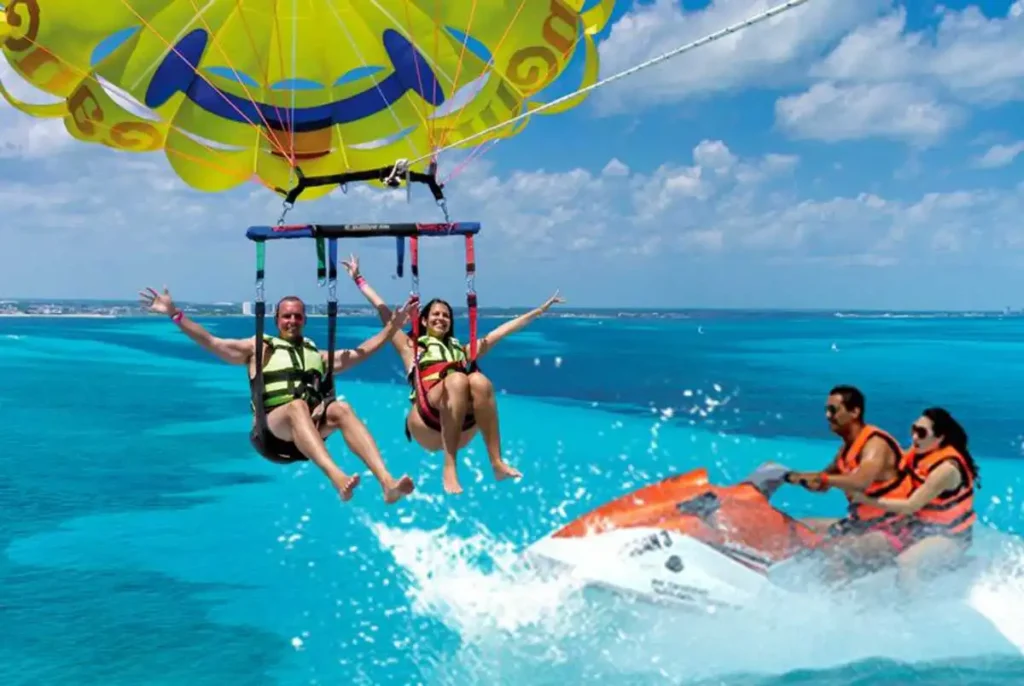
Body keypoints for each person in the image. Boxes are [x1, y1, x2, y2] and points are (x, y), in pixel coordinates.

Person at [138, 285, 418, 505]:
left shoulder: (316, 355)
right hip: (271, 437)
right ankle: (336, 477)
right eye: (287, 316)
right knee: (296, 406)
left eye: (297, 316)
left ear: (305, 320)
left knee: (341, 409)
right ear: (277, 320)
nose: (292, 321)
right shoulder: (259, 350)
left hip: (307, 437)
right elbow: (211, 341)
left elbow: (363, 351)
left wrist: (393, 327)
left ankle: (387, 483)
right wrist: (174, 313)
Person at [340, 254, 564, 495]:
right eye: (435, 314)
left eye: (446, 315)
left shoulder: (461, 351)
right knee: (458, 378)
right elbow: (383, 311)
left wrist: (539, 311)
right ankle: (449, 466)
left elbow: (500, 333)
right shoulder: (411, 347)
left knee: (479, 380)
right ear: (423, 320)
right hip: (425, 422)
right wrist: (358, 278)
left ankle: (496, 463)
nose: (441, 318)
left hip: (461, 429)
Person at [784, 385, 913, 577]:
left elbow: (860, 481)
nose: (828, 416)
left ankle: (825, 603)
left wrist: (823, 479)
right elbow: (822, 483)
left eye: (833, 410)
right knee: (801, 528)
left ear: (854, 412)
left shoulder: (875, 445)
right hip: (861, 524)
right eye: (826, 410)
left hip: (894, 531)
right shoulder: (846, 451)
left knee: (838, 551)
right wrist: (791, 477)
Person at [848, 407, 979, 587]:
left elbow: (911, 506)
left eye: (922, 432)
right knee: (867, 546)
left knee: (906, 563)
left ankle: (912, 611)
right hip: (919, 528)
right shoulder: (920, 452)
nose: (915, 437)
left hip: (951, 537)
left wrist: (864, 499)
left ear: (939, 438)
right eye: (914, 429)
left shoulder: (946, 470)